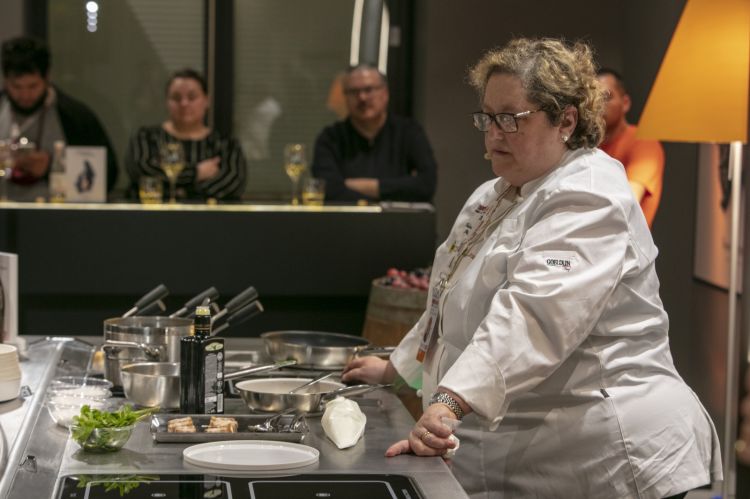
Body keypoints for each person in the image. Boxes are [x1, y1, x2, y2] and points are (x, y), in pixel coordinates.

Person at [342, 38, 720, 498]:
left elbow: (533, 316)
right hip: (540, 451)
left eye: (510, 119)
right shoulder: (496, 194)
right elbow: (448, 297)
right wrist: (398, 369)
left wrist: (449, 400)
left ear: (566, 119)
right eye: (487, 117)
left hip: (615, 454)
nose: (492, 134)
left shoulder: (591, 195)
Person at [0, 36, 118, 201]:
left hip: (60, 218)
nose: (25, 95)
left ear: (47, 77)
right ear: (5, 81)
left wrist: (51, 167)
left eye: (33, 86)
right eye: (16, 87)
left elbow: (108, 175)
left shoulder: (75, 116)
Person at [311, 64, 437, 202]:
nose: (362, 97)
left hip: (399, 222)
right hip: (346, 222)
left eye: (369, 89)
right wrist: (398, 189)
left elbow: (426, 185)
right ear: (345, 97)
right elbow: (328, 189)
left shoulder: (409, 131)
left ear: (385, 93)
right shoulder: (330, 138)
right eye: (354, 91)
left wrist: (359, 185)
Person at [125, 68, 246, 201]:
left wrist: (181, 193)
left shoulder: (225, 144)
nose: (184, 103)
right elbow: (142, 171)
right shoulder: (146, 138)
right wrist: (197, 173)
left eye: (192, 97)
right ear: (167, 102)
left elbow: (232, 183)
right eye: (176, 98)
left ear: (206, 100)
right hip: (151, 219)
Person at [597, 68, 665, 228]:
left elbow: (627, 202)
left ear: (625, 103)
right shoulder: (589, 147)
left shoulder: (643, 142)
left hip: (624, 248)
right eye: (593, 98)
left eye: (606, 97)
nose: (598, 105)